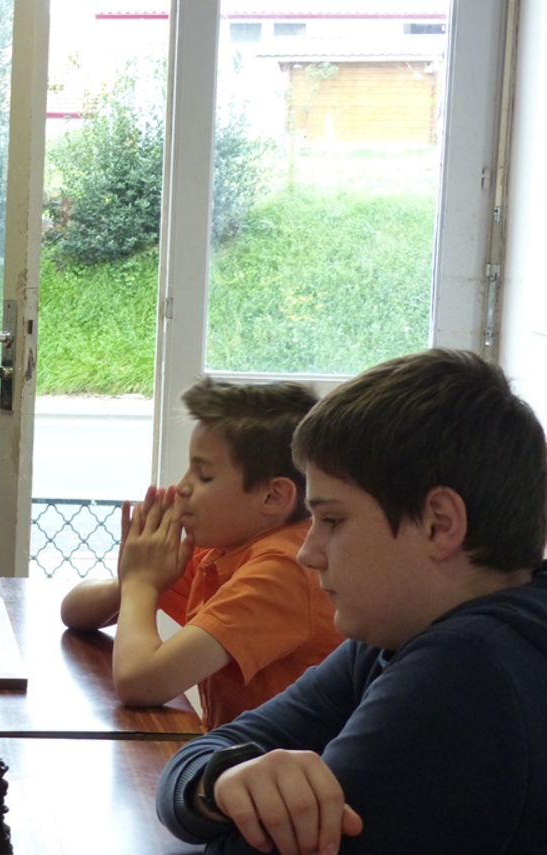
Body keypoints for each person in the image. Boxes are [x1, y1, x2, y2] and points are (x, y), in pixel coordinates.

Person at [157, 349, 547, 854]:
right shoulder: (394, 633)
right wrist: (219, 782)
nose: (308, 552)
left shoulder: (465, 672)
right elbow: (209, 754)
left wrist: (222, 796)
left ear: (439, 524)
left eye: (333, 521)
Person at [60, 379, 341, 729]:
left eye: (204, 475)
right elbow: (74, 612)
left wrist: (141, 585)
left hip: (274, 763)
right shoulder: (224, 551)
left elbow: (140, 681)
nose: (182, 487)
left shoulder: (282, 571)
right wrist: (132, 578)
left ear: (273, 497)